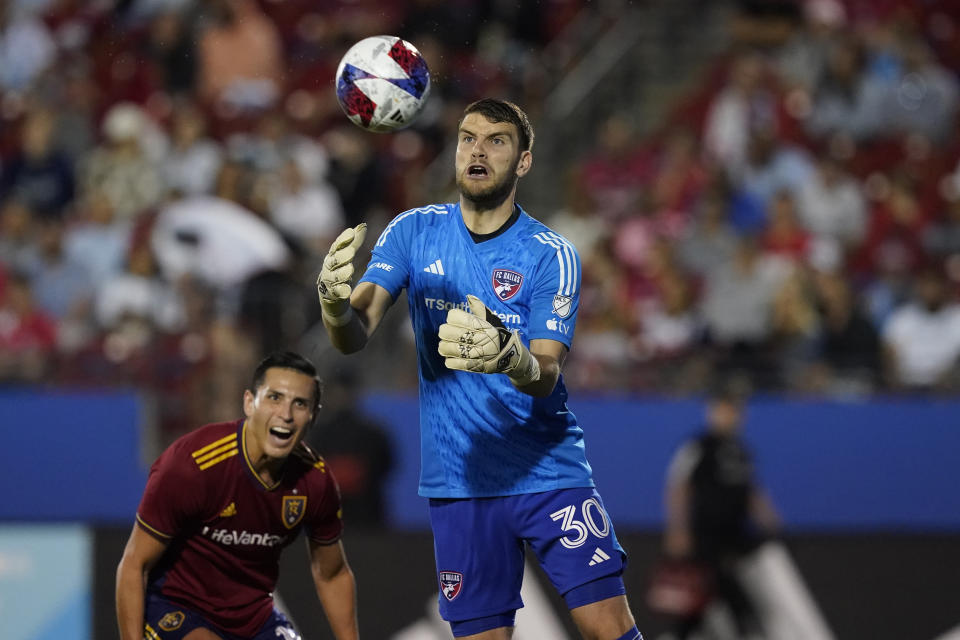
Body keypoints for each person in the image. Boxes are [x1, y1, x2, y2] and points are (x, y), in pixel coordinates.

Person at [317, 98, 640, 640]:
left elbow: (546, 371)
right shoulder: (413, 231)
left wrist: (512, 359)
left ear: (524, 162)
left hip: (547, 473)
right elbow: (355, 333)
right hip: (459, 483)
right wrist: (332, 308)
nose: (477, 151)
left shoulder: (550, 253)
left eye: (496, 141)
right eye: (468, 138)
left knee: (607, 627)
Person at [116, 351, 359, 640]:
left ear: (313, 415)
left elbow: (332, 574)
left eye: (300, 404)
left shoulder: (316, 481)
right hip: (176, 607)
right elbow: (133, 565)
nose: (286, 414)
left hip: (254, 618)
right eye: (274, 398)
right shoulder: (192, 465)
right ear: (249, 403)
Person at [662, 386, 779, 639]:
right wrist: (678, 530)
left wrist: (769, 519)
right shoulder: (699, 446)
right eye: (722, 410)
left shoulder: (741, 450)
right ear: (711, 413)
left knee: (703, 602)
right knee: (724, 597)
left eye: (734, 411)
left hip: (734, 537)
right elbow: (678, 486)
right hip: (705, 536)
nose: (729, 416)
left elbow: (751, 490)